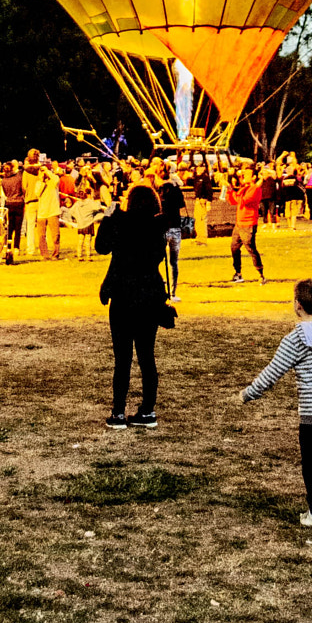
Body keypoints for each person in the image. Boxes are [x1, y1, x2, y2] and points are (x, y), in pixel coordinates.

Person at [240, 277, 312, 531]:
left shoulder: (294, 340)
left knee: (310, 459)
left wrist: (248, 393)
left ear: (297, 305)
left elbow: (272, 373)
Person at [95, 185, 167, 429]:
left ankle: (118, 412)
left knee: (122, 357)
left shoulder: (121, 222)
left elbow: (102, 246)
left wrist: (108, 216)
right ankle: (147, 409)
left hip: (124, 293)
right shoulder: (158, 225)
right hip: (150, 293)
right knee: (147, 355)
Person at [227, 167, 266, 285]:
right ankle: (238, 273)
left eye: (247, 174)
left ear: (254, 177)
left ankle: (260, 273)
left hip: (248, 223)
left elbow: (244, 201)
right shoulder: (245, 188)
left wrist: (231, 190)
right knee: (234, 247)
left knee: (250, 248)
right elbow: (234, 201)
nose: (244, 176)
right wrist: (229, 191)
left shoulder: (255, 189)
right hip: (239, 223)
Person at [156, 163, 185, 298]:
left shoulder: (157, 191)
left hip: (161, 227)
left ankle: (160, 290)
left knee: (155, 260)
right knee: (173, 262)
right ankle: (172, 292)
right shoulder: (175, 190)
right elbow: (181, 205)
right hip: (174, 226)